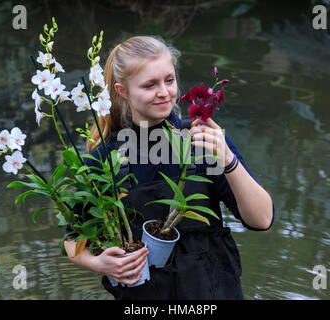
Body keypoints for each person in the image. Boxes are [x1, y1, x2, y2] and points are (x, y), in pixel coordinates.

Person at [64, 35, 274, 300]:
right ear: (122, 91)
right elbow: (72, 238)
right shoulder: (104, 160)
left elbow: (262, 220)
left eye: (169, 80)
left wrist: (227, 159)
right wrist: (99, 263)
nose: (164, 92)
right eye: (150, 85)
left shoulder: (204, 139)